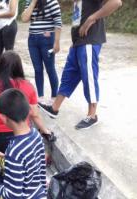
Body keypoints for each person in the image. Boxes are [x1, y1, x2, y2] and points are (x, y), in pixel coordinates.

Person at [0, 50, 55, 180]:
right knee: (17, 168)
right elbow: (34, 114)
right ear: (19, 67)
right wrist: (45, 130)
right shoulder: (27, 86)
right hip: (20, 133)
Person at [38, 0, 122, 129]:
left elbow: (116, 2)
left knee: (89, 77)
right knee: (68, 75)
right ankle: (54, 108)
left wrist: (91, 18)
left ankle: (92, 115)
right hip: (78, 42)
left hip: (89, 40)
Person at [0, 88, 47, 199]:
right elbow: (39, 170)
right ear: (27, 111)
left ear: (3, 118)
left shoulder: (15, 151)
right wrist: (8, 158)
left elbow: (13, 195)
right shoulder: (36, 135)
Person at [21, 0, 62, 105]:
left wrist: (57, 42)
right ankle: (40, 97)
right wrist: (33, 3)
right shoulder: (29, 1)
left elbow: (58, 22)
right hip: (32, 39)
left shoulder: (52, 1)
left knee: (50, 68)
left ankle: (54, 96)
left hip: (47, 38)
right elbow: (24, 18)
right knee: (37, 69)